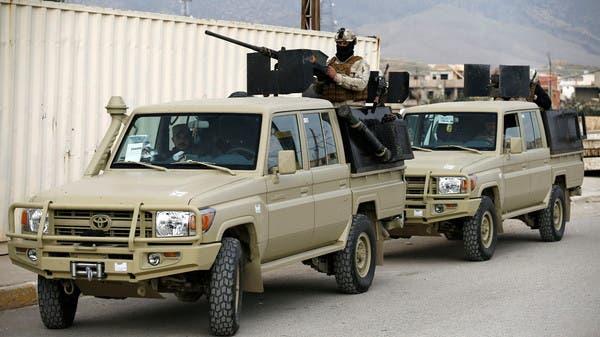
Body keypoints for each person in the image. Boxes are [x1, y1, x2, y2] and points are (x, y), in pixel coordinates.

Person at [315, 28, 370, 105]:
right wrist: (320, 80)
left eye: (345, 43)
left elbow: (361, 84)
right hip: (331, 107)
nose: (341, 46)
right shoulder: (329, 63)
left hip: (352, 108)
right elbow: (318, 91)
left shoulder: (360, 63)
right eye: (339, 43)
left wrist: (336, 77)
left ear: (352, 44)